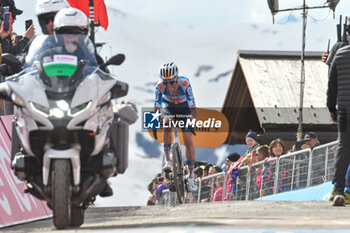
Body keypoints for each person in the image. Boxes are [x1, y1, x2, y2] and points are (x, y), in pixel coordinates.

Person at [154, 62, 198, 192]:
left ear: (177, 78)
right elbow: (156, 106)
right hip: (169, 106)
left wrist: (191, 119)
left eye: (172, 82)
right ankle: (167, 159)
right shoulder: (159, 86)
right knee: (167, 124)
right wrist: (155, 119)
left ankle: (191, 176)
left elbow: (193, 107)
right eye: (166, 83)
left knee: (188, 140)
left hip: (185, 108)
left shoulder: (184, 84)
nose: (169, 86)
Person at [327, 38, 350, 206]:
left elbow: (331, 86)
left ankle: (339, 190)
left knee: (343, 147)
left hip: (345, 109)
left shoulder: (340, 54)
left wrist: (331, 108)